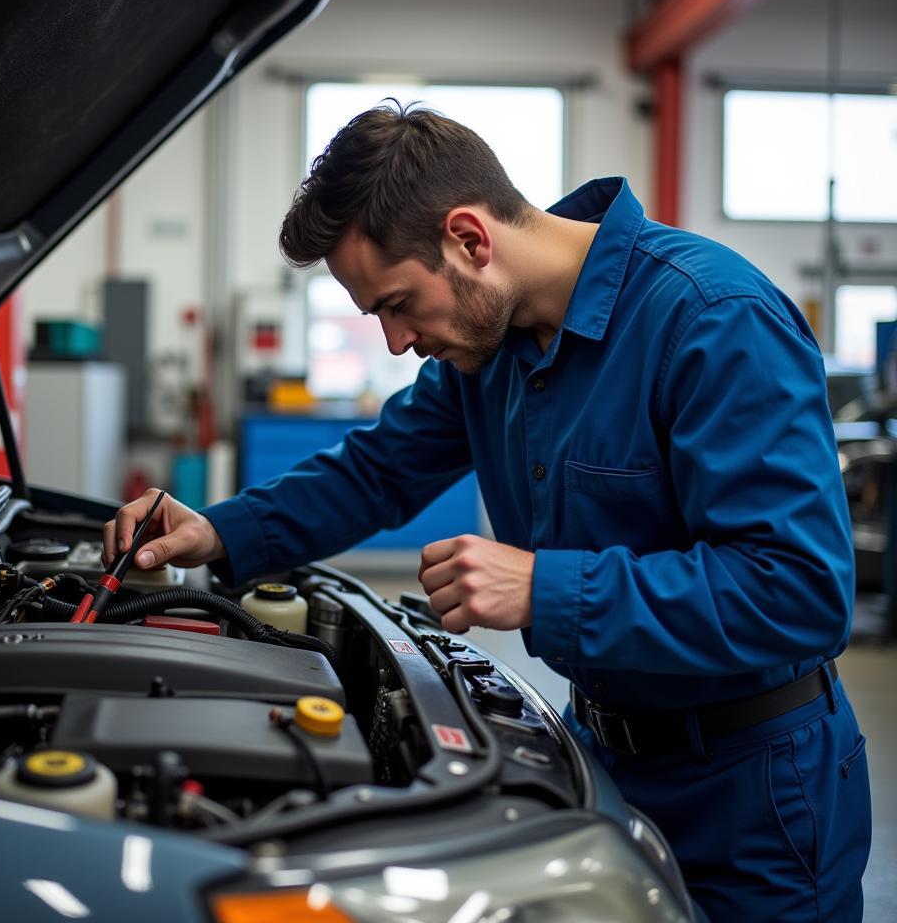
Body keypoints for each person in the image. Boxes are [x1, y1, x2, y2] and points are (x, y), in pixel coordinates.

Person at [105, 102, 871, 921]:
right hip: (601, 762)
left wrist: (547, 589)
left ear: (470, 239)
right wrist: (220, 531)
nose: (397, 342)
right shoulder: (491, 352)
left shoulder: (712, 320)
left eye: (398, 304)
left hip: (752, 795)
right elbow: (376, 471)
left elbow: (798, 590)